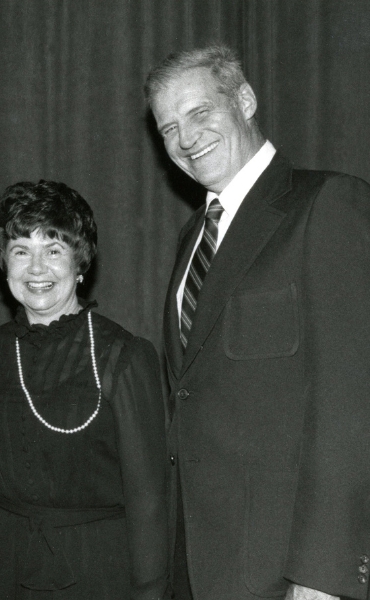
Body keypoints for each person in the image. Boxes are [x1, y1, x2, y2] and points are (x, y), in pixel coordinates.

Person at [145, 45, 370, 600]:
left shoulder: (327, 204)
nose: (186, 138)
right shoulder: (193, 236)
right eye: (168, 128)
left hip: (285, 567)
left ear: (244, 100)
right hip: (200, 561)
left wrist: (323, 574)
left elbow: (350, 403)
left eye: (199, 113)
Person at [0, 180, 169, 600]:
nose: (36, 269)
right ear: (4, 263)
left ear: (81, 264)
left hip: (96, 569)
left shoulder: (124, 357)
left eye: (53, 250)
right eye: (21, 250)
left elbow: (151, 502)